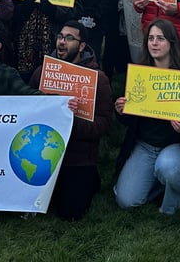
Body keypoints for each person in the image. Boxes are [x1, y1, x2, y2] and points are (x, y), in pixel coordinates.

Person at [113, 19, 180, 215]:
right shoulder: (139, 75)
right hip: (145, 145)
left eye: (160, 38)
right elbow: (131, 122)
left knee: (170, 169)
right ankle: (160, 181)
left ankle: (170, 205)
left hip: (176, 147)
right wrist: (121, 111)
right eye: (150, 38)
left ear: (172, 43)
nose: (154, 43)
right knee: (125, 200)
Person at [28, 19, 114, 220]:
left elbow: (104, 124)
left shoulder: (97, 78)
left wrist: (70, 120)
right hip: (43, 152)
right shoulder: (42, 72)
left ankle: (90, 179)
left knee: (70, 213)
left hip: (78, 156)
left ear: (82, 45)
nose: (62, 42)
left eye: (69, 38)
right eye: (60, 37)